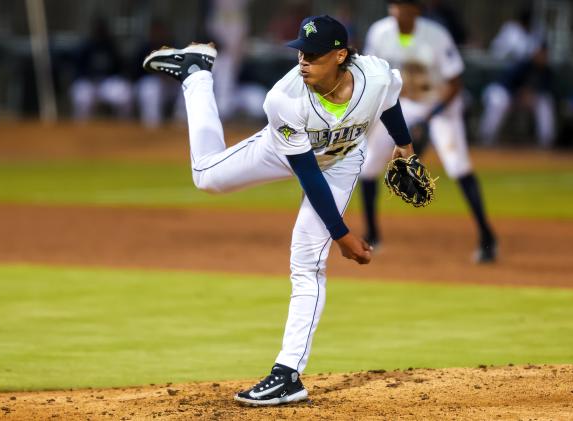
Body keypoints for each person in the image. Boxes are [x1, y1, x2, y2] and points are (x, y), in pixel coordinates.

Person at [143, 15, 418, 406]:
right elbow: (307, 174)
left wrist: (405, 147)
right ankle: (197, 74)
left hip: (340, 163)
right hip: (285, 150)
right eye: (301, 53)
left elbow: (388, 100)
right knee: (206, 176)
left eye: (315, 55)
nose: (303, 61)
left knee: (307, 261)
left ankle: (287, 374)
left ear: (341, 55)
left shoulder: (374, 75)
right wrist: (343, 236)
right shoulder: (284, 98)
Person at [361, 0, 496, 263]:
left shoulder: (436, 35)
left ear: (417, 10)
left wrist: (428, 120)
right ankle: (372, 234)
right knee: (367, 167)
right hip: (399, 105)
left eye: (404, 6)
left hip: (439, 106)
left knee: (458, 166)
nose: (397, 11)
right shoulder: (379, 32)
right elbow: (371, 75)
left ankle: (487, 237)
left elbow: (455, 83)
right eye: (394, 6)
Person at [479, 43, 556, 148]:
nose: (543, 57)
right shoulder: (523, 65)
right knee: (499, 101)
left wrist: (529, 95)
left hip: (524, 100)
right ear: (535, 53)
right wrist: (521, 94)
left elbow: (546, 90)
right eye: (540, 53)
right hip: (503, 92)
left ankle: (546, 141)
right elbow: (507, 84)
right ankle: (486, 138)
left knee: (544, 102)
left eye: (545, 54)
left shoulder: (546, 71)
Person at [70, 17, 133, 121]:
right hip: (88, 83)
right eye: (98, 30)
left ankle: (123, 127)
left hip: (107, 83)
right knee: (83, 96)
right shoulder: (85, 47)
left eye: (102, 30)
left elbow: (120, 68)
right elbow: (77, 70)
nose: (100, 32)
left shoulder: (111, 46)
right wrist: (88, 78)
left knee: (125, 94)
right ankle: (81, 128)